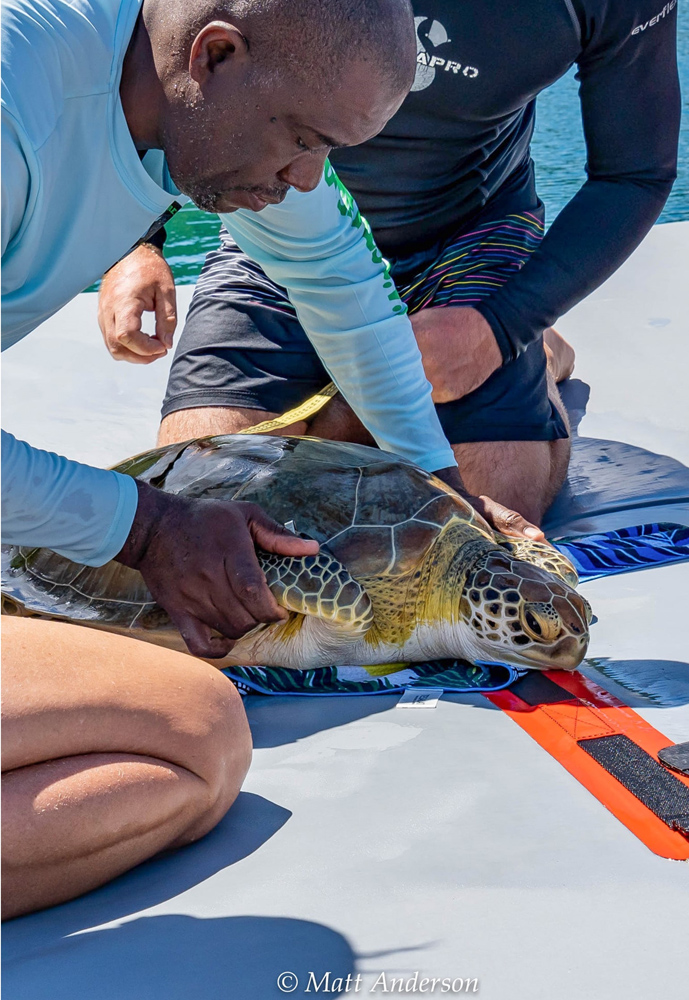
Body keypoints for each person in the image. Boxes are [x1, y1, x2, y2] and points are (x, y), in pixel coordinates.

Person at [1, 0, 531, 919]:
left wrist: (441, 492)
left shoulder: (186, 95)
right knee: (193, 737)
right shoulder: (17, 100)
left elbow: (346, 289)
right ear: (215, 55)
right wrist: (150, 527)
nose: (303, 180)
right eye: (302, 141)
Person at [100, 0, 680, 526]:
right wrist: (135, 243)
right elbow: (165, 45)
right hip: (279, 218)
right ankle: (373, 384)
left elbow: (634, 173)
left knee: (479, 515)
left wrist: (501, 330)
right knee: (202, 502)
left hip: (469, 234)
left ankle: (536, 354)